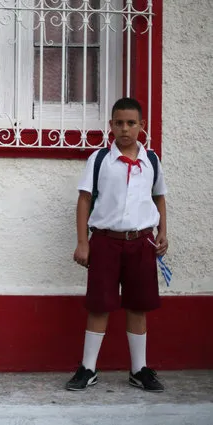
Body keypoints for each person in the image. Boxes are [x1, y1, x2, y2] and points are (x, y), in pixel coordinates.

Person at [67, 97, 168, 392]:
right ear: (111, 126)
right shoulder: (99, 160)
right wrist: (83, 242)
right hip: (105, 242)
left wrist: (163, 231)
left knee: (138, 306)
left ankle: (139, 370)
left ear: (142, 126)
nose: (125, 129)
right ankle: (88, 368)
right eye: (119, 123)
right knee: (99, 305)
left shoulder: (151, 161)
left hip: (141, 243)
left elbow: (159, 197)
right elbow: (84, 199)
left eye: (131, 123)